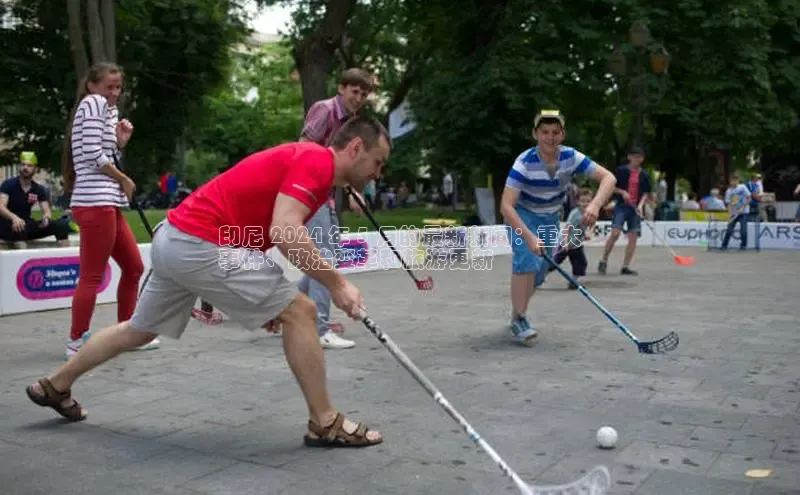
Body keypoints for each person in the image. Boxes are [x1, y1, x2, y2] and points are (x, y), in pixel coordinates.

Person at [24, 115, 390, 449]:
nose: (378, 173)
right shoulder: (317, 162)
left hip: (177, 238)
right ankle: (325, 421)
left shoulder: (310, 162)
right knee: (302, 311)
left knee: (140, 330)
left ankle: (56, 385)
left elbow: (262, 227)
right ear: (355, 148)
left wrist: (251, 297)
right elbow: (286, 230)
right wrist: (338, 284)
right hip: (201, 243)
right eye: (378, 162)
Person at [62, 61, 159, 360]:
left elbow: (104, 153)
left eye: (118, 87)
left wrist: (119, 142)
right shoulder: (92, 103)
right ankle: (76, 339)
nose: (115, 93)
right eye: (109, 87)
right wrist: (123, 179)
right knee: (92, 275)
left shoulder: (108, 110)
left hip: (107, 202)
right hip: (94, 203)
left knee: (134, 267)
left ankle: (127, 333)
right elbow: (92, 155)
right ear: (92, 86)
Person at [501, 110, 616, 346]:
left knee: (541, 270)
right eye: (544, 132)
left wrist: (594, 205)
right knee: (526, 260)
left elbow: (609, 178)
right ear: (535, 134)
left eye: (555, 132)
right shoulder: (523, 163)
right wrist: (529, 237)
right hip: (522, 216)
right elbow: (506, 206)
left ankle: (516, 315)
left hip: (550, 218)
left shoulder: (571, 157)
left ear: (562, 135)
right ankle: (520, 318)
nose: (550, 137)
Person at [293, 68, 374, 350]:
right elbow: (304, 149)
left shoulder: (350, 121)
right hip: (308, 192)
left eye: (364, 94)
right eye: (355, 92)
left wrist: (352, 191)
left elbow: (341, 161)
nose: (359, 98)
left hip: (325, 194)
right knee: (324, 258)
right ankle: (319, 329)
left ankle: (283, 311)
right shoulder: (324, 110)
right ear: (341, 88)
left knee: (328, 256)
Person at [598, 146, 652, 276]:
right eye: (634, 156)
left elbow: (646, 192)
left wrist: (640, 205)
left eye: (639, 157)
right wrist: (622, 192)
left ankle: (625, 266)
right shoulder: (621, 171)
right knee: (615, 233)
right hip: (622, 206)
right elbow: (611, 186)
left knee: (633, 237)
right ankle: (604, 260)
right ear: (629, 157)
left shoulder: (644, 174)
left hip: (635, 209)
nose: (636, 159)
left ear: (642, 159)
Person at [0, 152, 72, 248]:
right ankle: (23, 259)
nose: (25, 168)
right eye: (23, 165)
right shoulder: (8, 184)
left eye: (29, 165)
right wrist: (14, 218)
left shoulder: (38, 189)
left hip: (27, 223)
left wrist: (46, 219)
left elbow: (47, 212)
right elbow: (1, 207)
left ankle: (65, 258)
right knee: (19, 229)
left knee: (61, 225)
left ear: (35, 169)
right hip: (7, 224)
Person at [548, 187, 593, 289]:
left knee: (581, 263)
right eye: (583, 201)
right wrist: (566, 243)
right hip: (565, 242)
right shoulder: (575, 214)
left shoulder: (590, 214)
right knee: (554, 263)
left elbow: (591, 225)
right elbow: (567, 229)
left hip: (576, 244)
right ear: (577, 201)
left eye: (588, 201)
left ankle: (573, 282)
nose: (586, 204)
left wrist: (587, 233)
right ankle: (538, 278)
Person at [721, 173, 751, 250]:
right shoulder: (728, 191)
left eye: (736, 180)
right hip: (734, 213)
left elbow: (749, 198)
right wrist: (730, 214)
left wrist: (743, 207)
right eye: (732, 180)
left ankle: (743, 246)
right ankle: (724, 245)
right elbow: (728, 204)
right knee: (729, 230)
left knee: (743, 231)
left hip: (744, 213)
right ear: (730, 181)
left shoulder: (743, 187)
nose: (734, 182)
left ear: (738, 181)